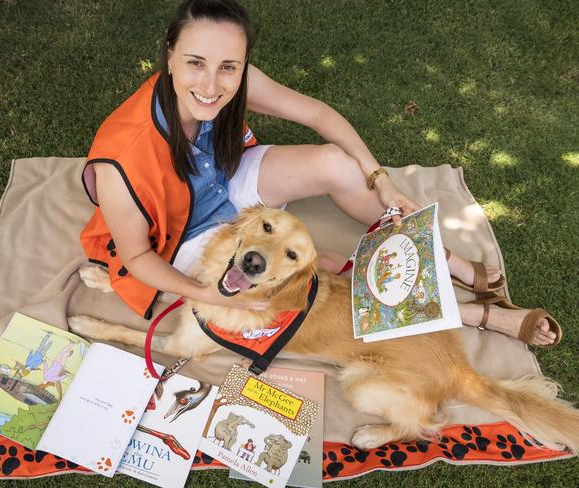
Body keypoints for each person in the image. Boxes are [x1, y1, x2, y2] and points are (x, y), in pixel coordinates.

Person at [79, 0, 558, 346]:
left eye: (228, 67)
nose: (211, 86)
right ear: (168, 55)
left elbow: (320, 116)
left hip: (227, 186)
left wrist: (380, 179)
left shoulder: (231, 82)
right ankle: (477, 316)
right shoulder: (121, 157)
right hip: (181, 237)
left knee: (335, 160)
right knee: (311, 283)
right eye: (195, 64)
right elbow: (140, 259)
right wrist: (210, 294)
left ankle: (440, 257)